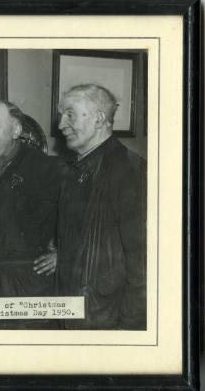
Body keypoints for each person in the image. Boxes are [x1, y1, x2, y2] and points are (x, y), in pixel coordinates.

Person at [0, 100, 64, 329]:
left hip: (29, 287)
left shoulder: (47, 168)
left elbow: (83, 215)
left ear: (16, 130)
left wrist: (64, 254)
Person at [55, 84, 147, 330]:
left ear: (98, 120)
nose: (61, 124)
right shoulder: (74, 171)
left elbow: (145, 263)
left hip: (109, 320)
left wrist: (129, 328)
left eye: (70, 114)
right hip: (78, 314)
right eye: (62, 115)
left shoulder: (130, 171)